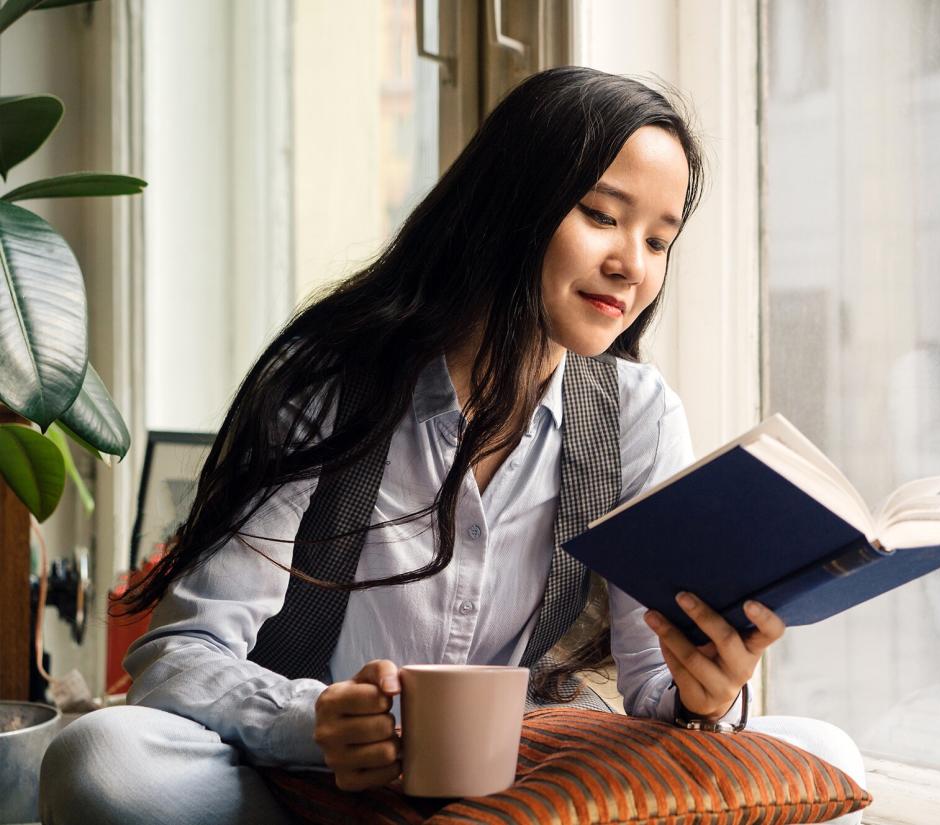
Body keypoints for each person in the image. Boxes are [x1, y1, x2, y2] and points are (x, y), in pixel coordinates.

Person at [39, 67, 866, 825]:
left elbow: (654, 688)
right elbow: (179, 654)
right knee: (104, 761)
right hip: (309, 776)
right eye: (602, 216)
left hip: (511, 782)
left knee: (828, 753)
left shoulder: (637, 413)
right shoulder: (327, 381)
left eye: (658, 240)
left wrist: (704, 693)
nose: (630, 266)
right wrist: (313, 722)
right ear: (513, 206)